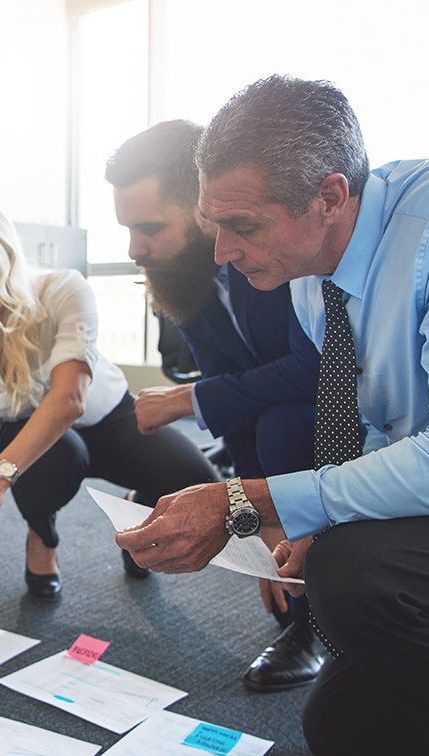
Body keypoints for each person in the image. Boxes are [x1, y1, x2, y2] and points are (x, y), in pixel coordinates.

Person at [116, 75, 429, 756]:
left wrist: (245, 503)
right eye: (214, 223)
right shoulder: (315, 273)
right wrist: (325, 513)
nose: (220, 251)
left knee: (356, 573)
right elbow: (384, 426)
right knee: (341, 731)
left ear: (331, 196)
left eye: (242, 225)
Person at [0, 201, 218, 637]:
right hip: (34, 440)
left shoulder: (64, 290)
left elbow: (70, 398)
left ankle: (136, 513)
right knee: (44, 464)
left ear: (4, 264)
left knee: (193, 479)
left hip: (105, 416)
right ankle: (42, 534)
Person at [107, 119, 324, 692]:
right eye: (128, 229)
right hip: (277, 422)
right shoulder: (184, 280)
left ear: (203, 209)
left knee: (280, 425)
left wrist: (188, 398)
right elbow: (237, 400)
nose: (134, 249)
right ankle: (303, 615)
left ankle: (316, 631)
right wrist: (255, 522)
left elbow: (311, 370)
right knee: (264, 440)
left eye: (149, 227)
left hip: (344, 414)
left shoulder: (272, 258)